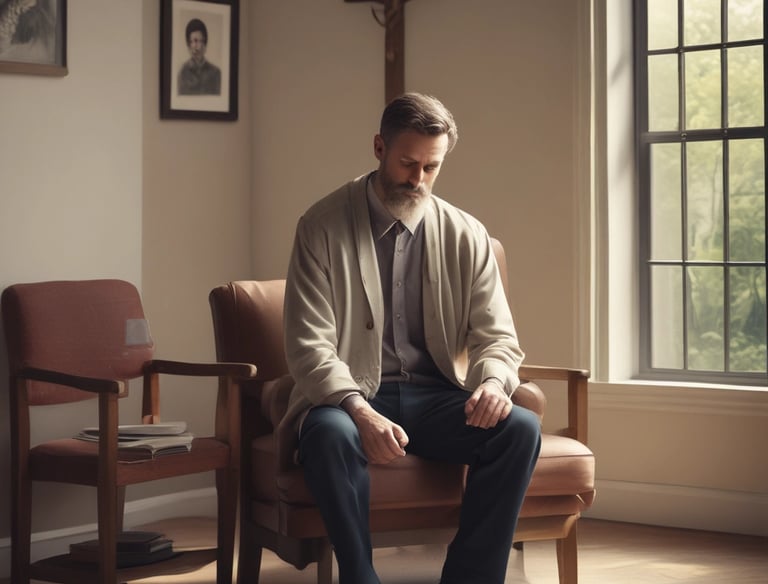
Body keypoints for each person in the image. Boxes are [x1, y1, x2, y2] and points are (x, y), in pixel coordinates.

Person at [282, 92, 542, 584]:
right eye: (407, 163)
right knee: (327, 435)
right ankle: (360, 577)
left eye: (431, 167)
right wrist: (359, 410)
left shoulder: (469, 234)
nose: (417, 179)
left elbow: (498, 338)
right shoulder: (320, 226)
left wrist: (491, 385)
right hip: (350, 398)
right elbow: (308, 345)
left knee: (520, 428)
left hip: (439, 397)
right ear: (379, 147)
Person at [177, 18, 221, 95]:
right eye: (193, 41)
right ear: (189, 45)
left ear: (205, 44)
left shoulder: (215, 73)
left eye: (199, 41)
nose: (196, 46)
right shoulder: (183, 72)